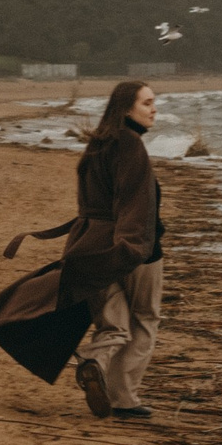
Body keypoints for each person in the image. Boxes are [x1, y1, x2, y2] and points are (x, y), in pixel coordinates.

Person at [61, 79, 164, 419]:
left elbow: (88, 204)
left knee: (115, 325)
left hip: (90, 246)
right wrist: (134, 249)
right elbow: (136, 203)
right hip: (134, 249)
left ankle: (94, 360)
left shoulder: (96, 146)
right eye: (147, 103)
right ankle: (123, 397)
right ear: (126, 109)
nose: (154, 109)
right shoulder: (131, 145)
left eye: (153, 102)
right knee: (145, 318)